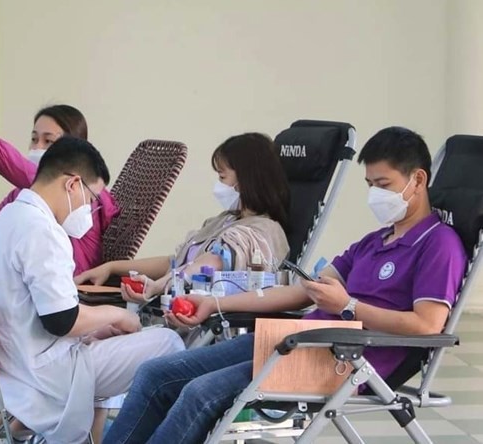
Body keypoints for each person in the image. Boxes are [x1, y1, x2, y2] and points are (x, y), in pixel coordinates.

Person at [102, 126, 468, 444]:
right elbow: (302, 290)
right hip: (299, 340)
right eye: (370, 184)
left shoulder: (439, 245)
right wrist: (215, 306)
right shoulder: (375, 241)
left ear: (418, 180)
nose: (375, 194)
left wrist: (349, 306)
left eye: (383, 184)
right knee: (157, 374)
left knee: (199, 393)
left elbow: (427, 325)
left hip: (343, 360)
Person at [0, 137, 184, 444]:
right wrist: (117, 316)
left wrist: (96, 327)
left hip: (4, 369)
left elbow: (31, 313)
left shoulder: (4, 222)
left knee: (109, 337)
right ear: (72, 185)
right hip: (44, 375)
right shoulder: (41, 230)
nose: (91, 210)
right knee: (169, 343)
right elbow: (61, 321)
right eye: (93, 199)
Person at [75, 132, 291, 303]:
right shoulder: (224, 220)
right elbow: (176, 262)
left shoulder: (264, 231)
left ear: (246, 179)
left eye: (222, 176)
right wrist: (111, 267)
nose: (218, 184)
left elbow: (214, 262)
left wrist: (158, 287)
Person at [0, 104, 120, 275]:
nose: (37, 147)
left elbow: (34, 177)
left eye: (48, 141)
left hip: (75, 290)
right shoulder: (21, 195)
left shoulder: (88, 196)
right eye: (34, 139)